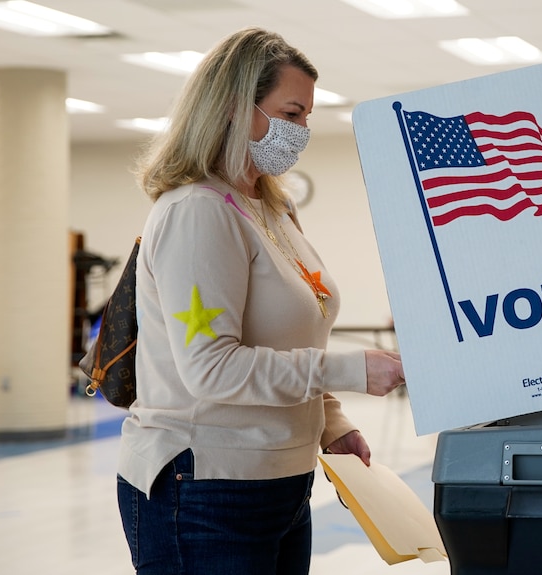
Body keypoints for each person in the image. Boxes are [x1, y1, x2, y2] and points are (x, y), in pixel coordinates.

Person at [116, 26, 405, 574]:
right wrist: (351, 371)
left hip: (280, 482)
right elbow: (211, 369)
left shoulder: (271, 209)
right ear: (233, 107)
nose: (301, 131)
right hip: (203, 487)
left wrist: (332, 422)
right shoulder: (198, 213)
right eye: (291, 113)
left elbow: (289, 338)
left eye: (307, 118)